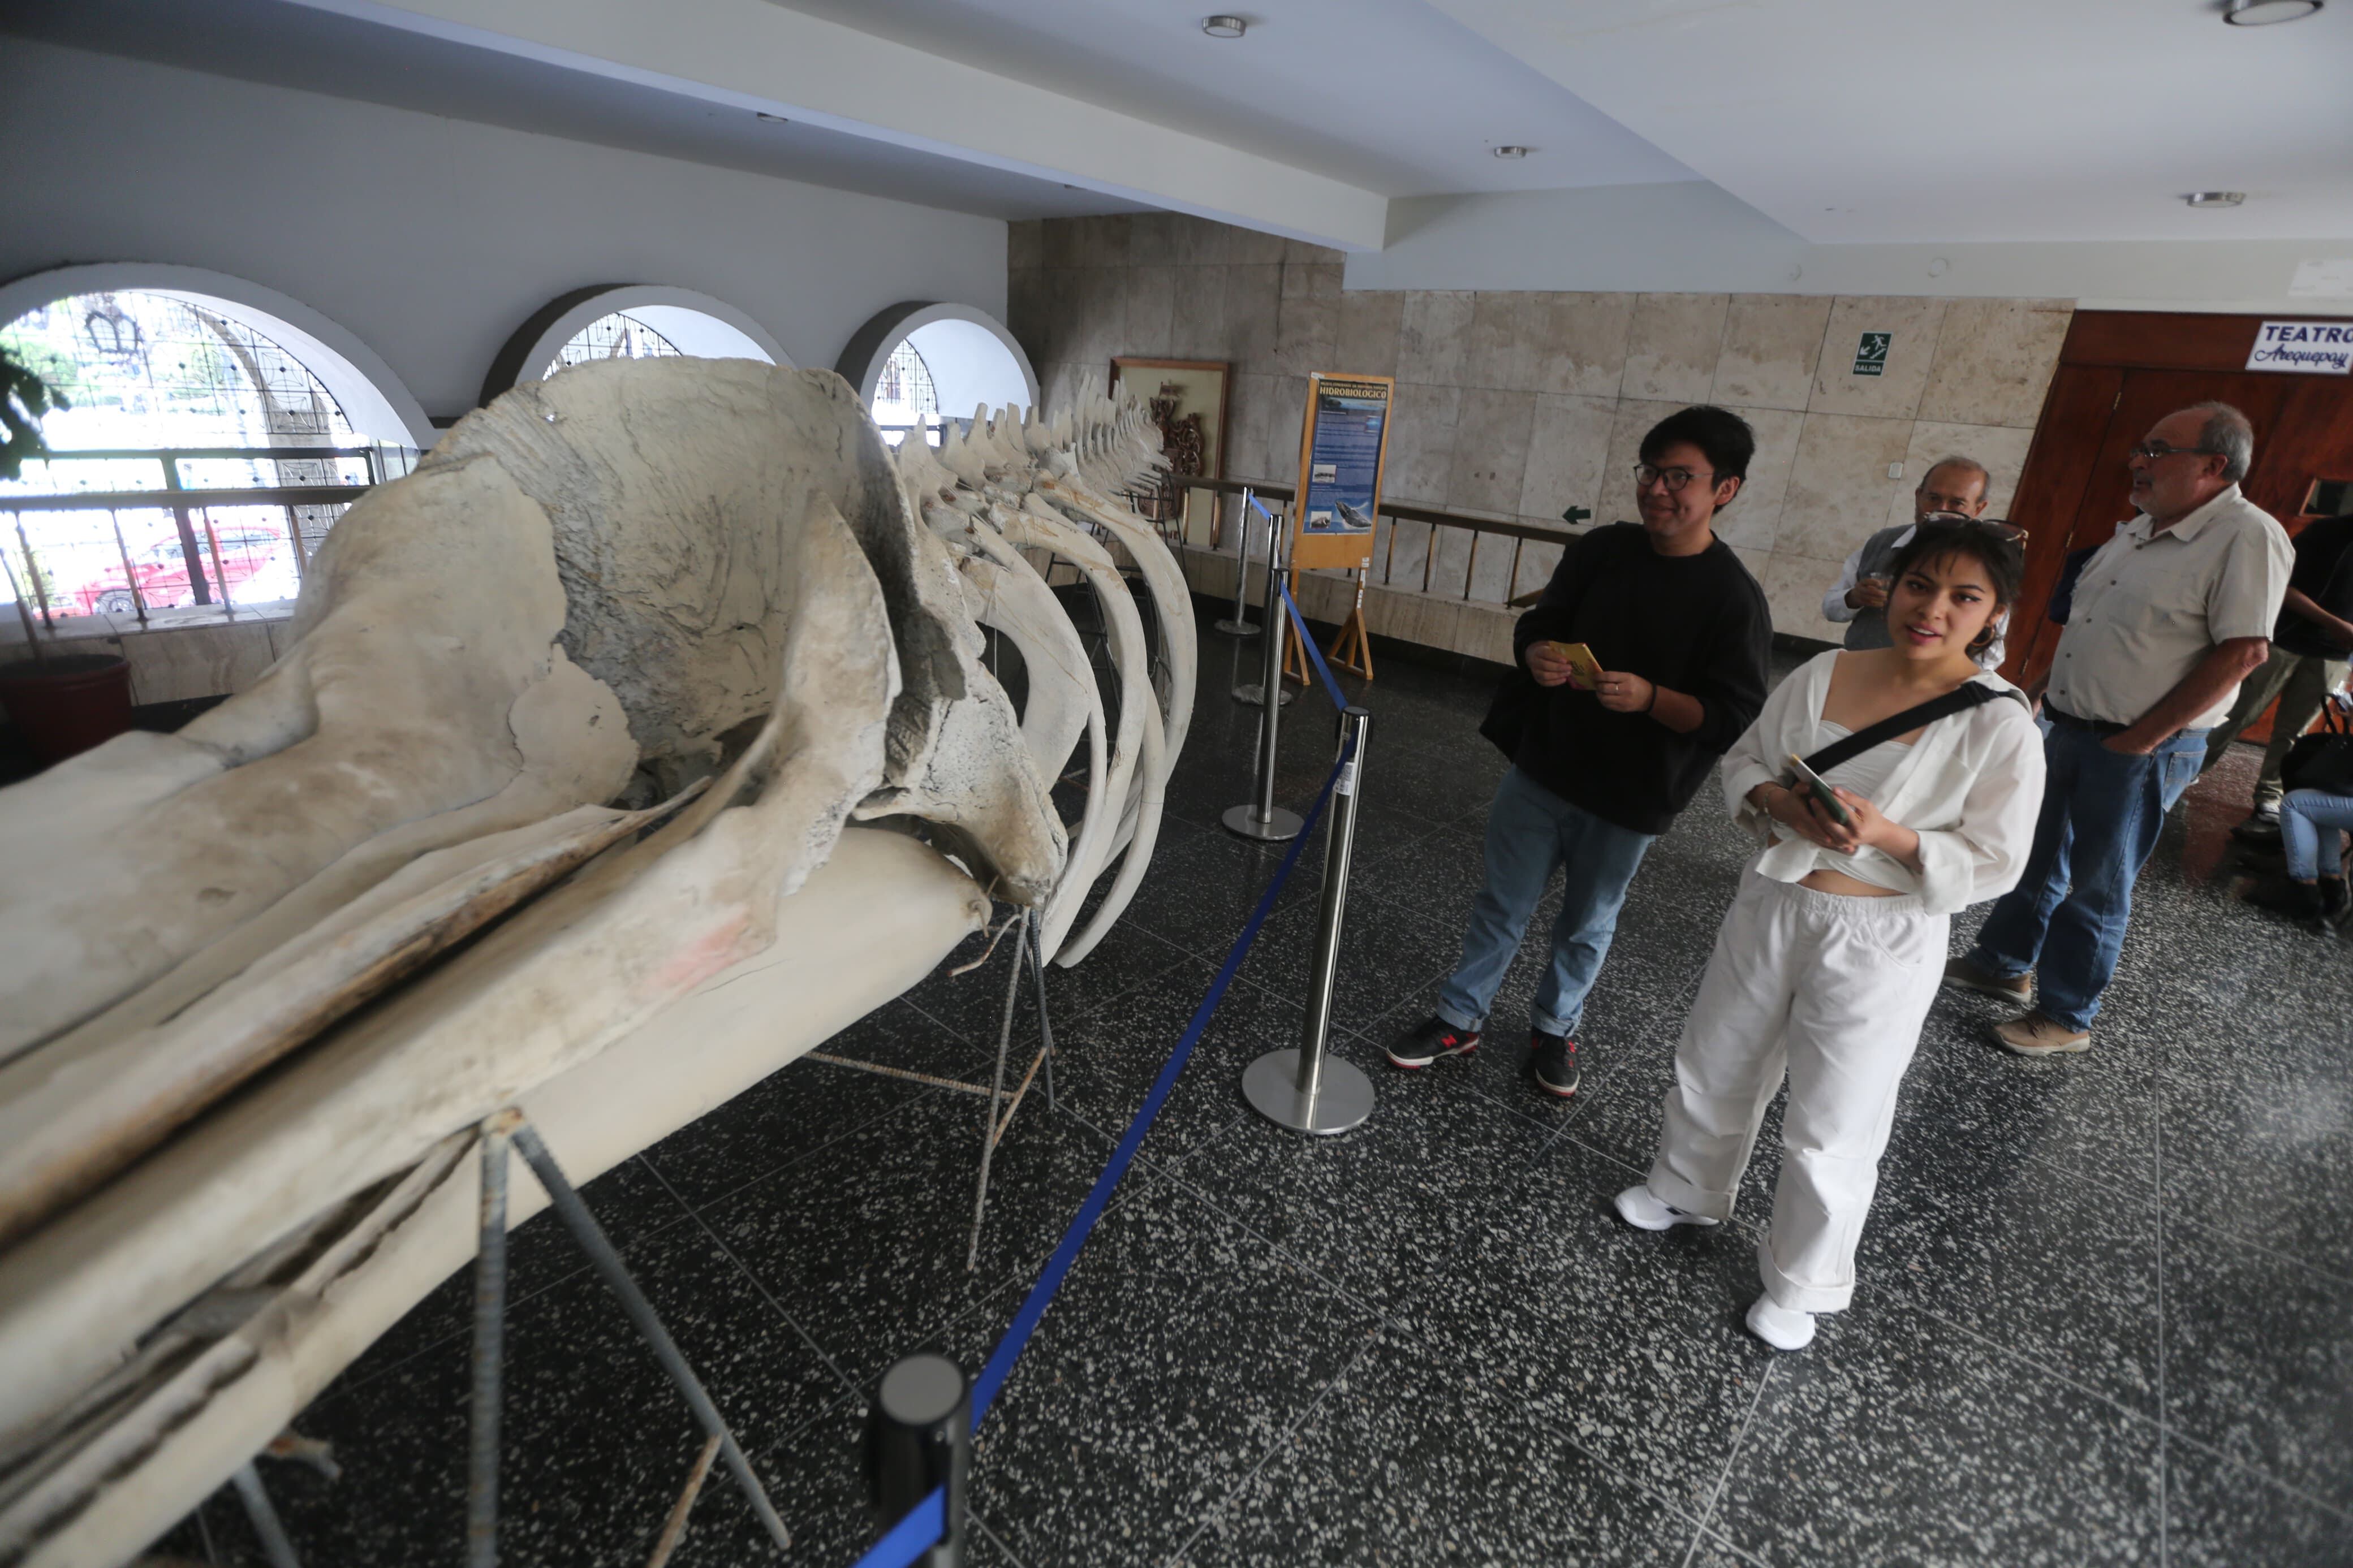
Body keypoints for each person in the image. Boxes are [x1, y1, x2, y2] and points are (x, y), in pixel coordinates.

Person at [1617, 520, 2044, 1351]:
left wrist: (1889, 836)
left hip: (1882, 935)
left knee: (1836, 1115)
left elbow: (1998, 861)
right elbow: (1745, 762)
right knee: (1716, 1058)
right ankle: (1686, 1186)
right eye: (1920, 585)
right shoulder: (1825, 671)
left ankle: (1802, 1279)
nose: (1933, 609)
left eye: (1965, 597)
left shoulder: (1999, 725)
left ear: (1995, 613)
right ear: (1891, 585)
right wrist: (1780, 804)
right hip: (1775, 900)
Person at [1384, 406, 1771, 1096]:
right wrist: (1535, 652)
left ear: (1725, 490)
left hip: (1630, 795)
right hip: (1545, 767)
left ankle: (1556, 1027)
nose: (1657, 489)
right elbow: (1542, 621)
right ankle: (1459, 1016)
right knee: (1500, 903)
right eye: (1649, 471)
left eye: (1679, 476)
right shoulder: (1601, 550)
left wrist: (1651, 697)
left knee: (1587, 923)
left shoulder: (1733, 599)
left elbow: (1731, 714)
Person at [1945, 402, 2292, 1056]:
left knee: (2098, 883)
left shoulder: (2247, 535)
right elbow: (2090, 627)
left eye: (2156, 449)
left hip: (2141, 743)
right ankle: (2002, 964)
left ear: (2213, 465)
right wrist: (2040, 691)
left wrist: (2140, 740)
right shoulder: (2138, 529)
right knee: (2037, 852)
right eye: (2140, 446)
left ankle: (2066, 1015)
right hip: (2069, 725)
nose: (2138, 460)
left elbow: (2243, 651)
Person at [2196, 504, 2353, 833]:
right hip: (2282, 641)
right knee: (2236, 713)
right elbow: (2282, 586)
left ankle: (2269, 797)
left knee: (2294, 731)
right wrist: (2333, 624)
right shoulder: (2326, 534)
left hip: (2335, 657)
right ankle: (2187, 770)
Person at [1821, 457, 2015, 667]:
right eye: (1933, 498)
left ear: (1978, 509)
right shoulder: (1882, 543)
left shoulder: (1987, 563)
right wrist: (1854, 597)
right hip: (1860, 672)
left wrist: (1953, 690)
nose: (1940, 510)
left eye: (1957, 503)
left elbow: (1991, 653)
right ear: (1918, 496)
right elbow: (1831, 608)